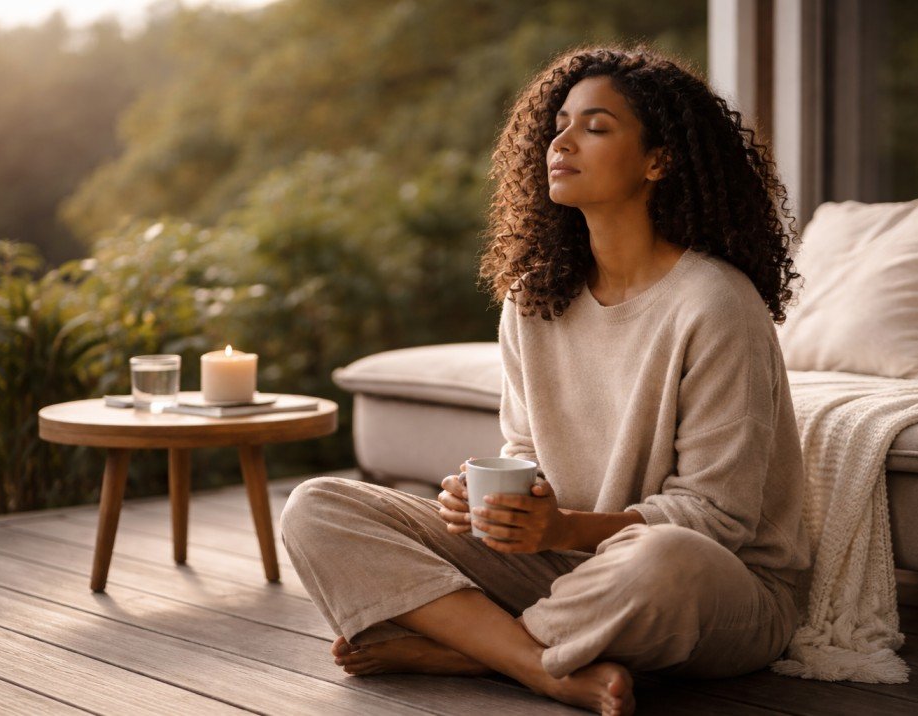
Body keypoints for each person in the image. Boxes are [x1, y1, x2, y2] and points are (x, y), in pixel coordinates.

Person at [280, 45, 811, 716]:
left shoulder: (714, 304)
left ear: (658, 160)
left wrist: (558, 528)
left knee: (664, 558)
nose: (560, 141)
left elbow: (716, 521)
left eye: (595, 126)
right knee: (318, 507)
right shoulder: (534, 299)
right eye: (558, 123)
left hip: (718, 588)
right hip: (567, 570)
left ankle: (472, 650)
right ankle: (539, 664)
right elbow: (526, 456)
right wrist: (485, 507)